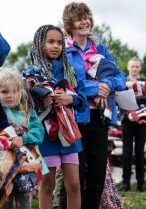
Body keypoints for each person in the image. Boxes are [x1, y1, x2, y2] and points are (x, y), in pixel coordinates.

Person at [61, 2, 126, 209]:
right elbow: (64, 81)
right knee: (75, 177)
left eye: (86, 16)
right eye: (79, 18)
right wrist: (94, 88)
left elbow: (120, 77)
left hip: (99, 117)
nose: (84, 21)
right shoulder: (63, 49)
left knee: (97, 174)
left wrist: (106, 84)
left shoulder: (100, 48)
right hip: (74, 118)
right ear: (70, 24)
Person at [23, 25, 86, 209]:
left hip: (68, 134)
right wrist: (40, 100)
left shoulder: (70, 72)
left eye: (59, 42)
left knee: (74, 184)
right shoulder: (30, 73)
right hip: (45, 135)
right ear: (39, 44)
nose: (55, 46)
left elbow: (81, 100)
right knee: (48, 183)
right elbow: (23, 102)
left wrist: (69, 99)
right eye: (50, 42)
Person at [0, 69, 44, 209]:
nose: (10, 96)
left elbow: (39, 132)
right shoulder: (1, 112)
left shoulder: (27, 112)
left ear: (21, 92)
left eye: (14, 91)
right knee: (4, 201)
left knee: (24, 201)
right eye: (5, 91)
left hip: (25, 166)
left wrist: (23, 139)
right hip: (3, 167)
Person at [118, 57, 146, 192]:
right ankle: (126, 183)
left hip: (142, 118)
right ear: (128, 67)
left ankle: (141, 183)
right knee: (126, 152)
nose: (134, 69)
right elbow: (118, 97)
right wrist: (135, 99)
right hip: (126, 118)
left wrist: (131, 97)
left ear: (140, 68)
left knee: (140, 151)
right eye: (132, 66)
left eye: (137, 66)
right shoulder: (122, 80)